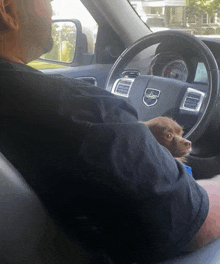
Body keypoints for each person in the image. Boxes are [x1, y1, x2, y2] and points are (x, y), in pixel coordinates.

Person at [0, 0, 220, 263]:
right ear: (7, 9)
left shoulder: (27, 102)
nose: (50, 8)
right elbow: (192, 222)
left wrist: (135, 135)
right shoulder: (80, 110)